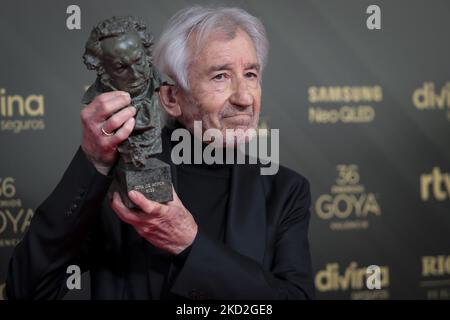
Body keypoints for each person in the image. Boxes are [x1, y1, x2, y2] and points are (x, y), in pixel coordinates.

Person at [6, 5, 314, 300]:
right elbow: (27, 289)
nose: (245, 97)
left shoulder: (285, 191)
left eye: (251, 74)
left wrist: (190, 244)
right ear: (171, 97)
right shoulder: (117, 180)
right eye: (220, 76)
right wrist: (93, 159)